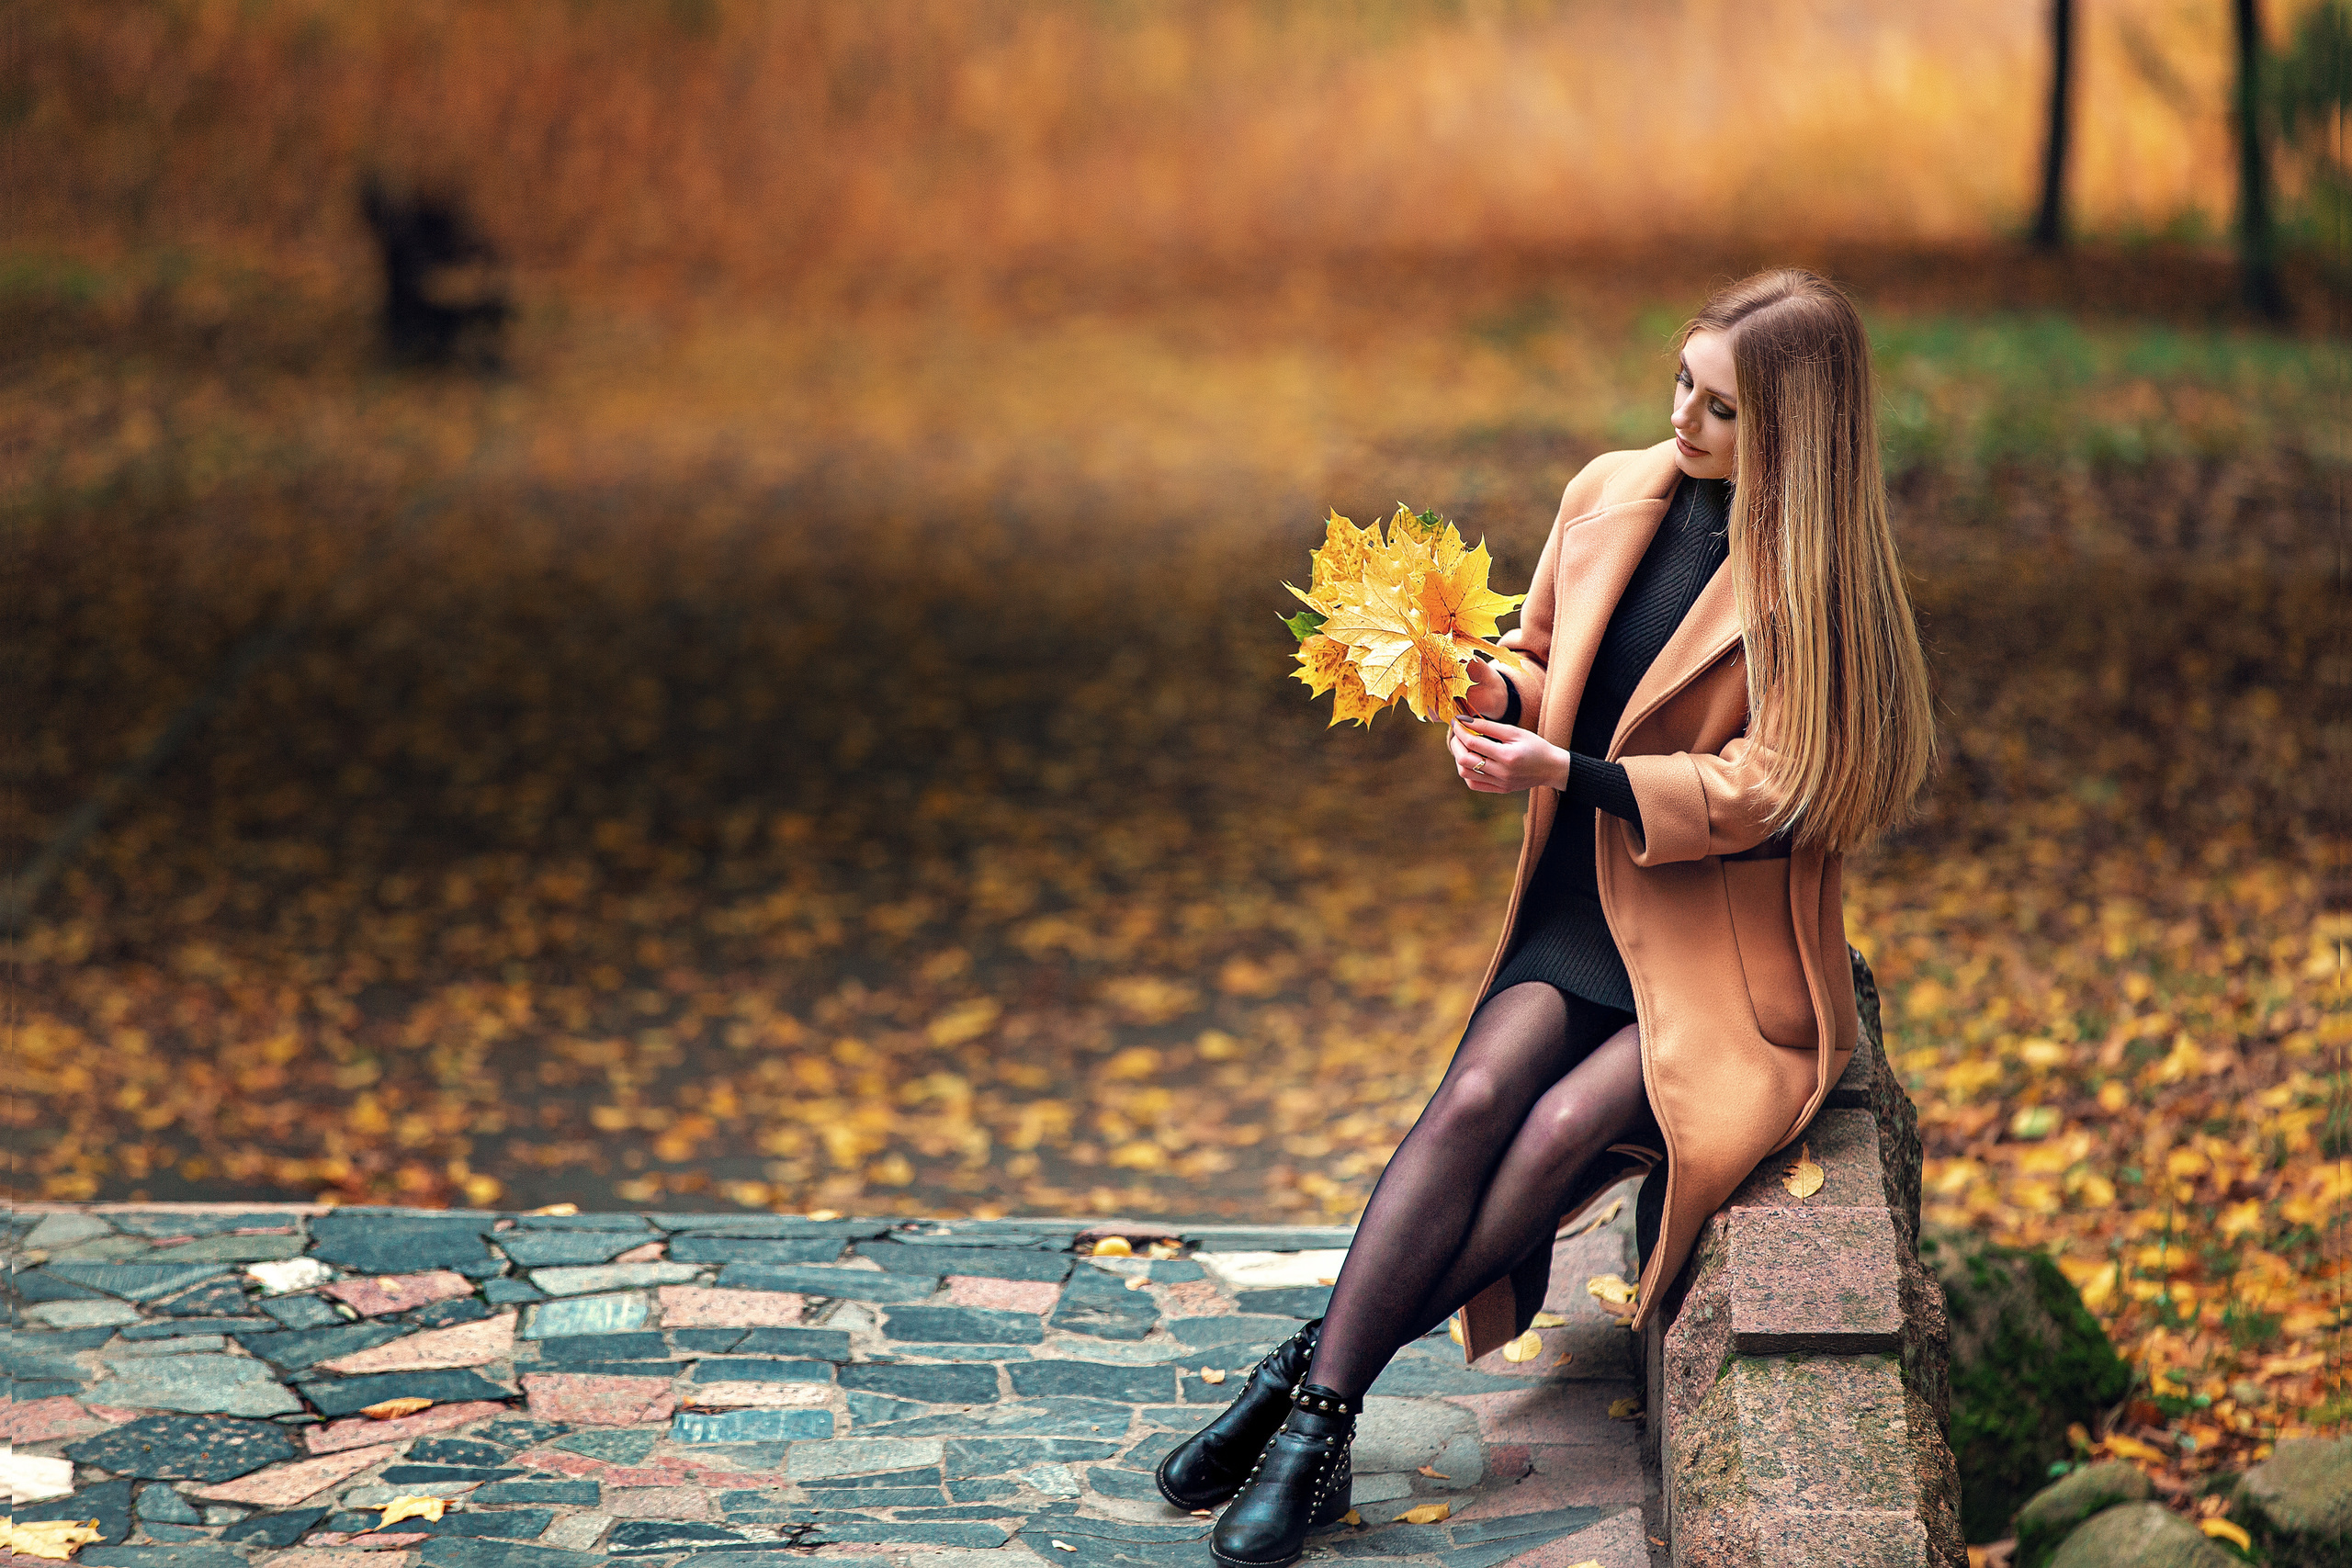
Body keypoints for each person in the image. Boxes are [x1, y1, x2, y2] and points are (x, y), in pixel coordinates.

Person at [1159, 268, 1939, 1568]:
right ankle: (1318, 1400)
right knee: (1471, 1105)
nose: (1686, 423)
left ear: (1801, 434)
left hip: (1721, 956)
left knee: (1574, 1119)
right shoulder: (1610, 496)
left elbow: (1773, 787)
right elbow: (1543, 651)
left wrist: (1568, 775)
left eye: (1724, 410)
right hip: (1587, 906)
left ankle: (1308, 1407)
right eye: (1683, 386)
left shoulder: (1817, 588)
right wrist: (1494, 689)